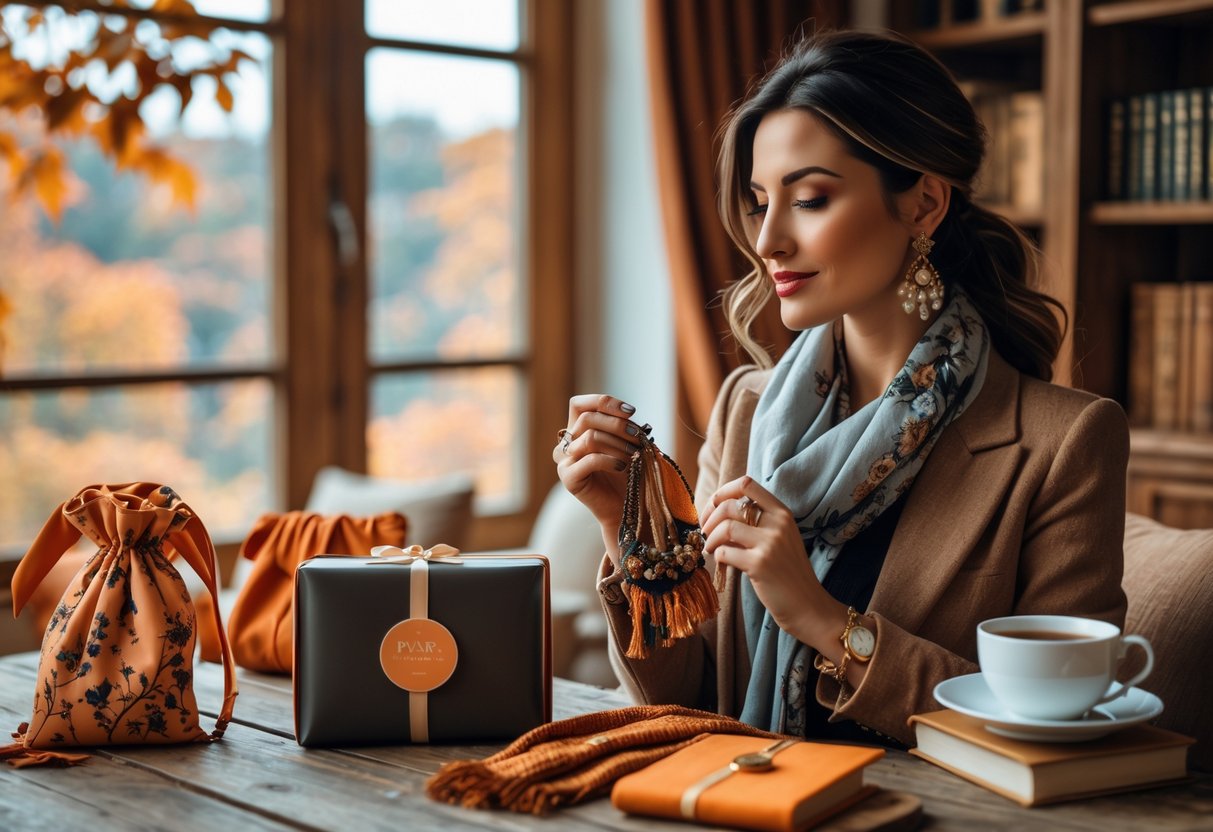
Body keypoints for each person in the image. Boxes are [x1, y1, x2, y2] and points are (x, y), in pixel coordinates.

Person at [552, 29, 1128, 747]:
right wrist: (628, 531)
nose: (768, 242)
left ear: (923, 205)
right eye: (761, 203)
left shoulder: (1062, 443)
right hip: (744, 803)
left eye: (811, 199)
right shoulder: (747, 407)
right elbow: (693, 699)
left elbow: (1055, 727)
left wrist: (820, 618)